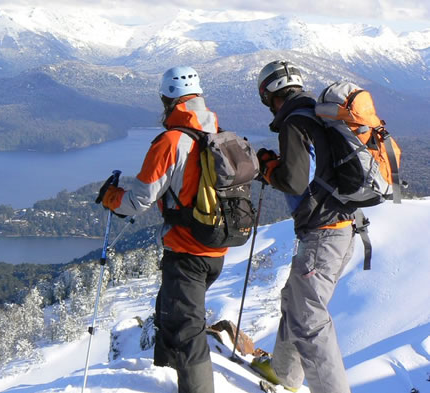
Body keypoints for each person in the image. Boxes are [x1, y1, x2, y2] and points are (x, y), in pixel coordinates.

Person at [98, 66, 226, 393]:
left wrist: (112, 198)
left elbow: (140, 200)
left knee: (187, 332)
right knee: (172, 316)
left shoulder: (172, 141)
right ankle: (169, 380)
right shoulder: (217, 132)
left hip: (187, 250)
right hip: (216, 246)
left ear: (167, 99)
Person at [251, 60, 356, 393]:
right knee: (293, 300)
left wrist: (269, 170)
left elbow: (296, 182)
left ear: (269, 95)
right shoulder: (318, 115)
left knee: (310, 323)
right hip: (340, 228)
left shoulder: (294, 122)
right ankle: (283, 373)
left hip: (323, 235)